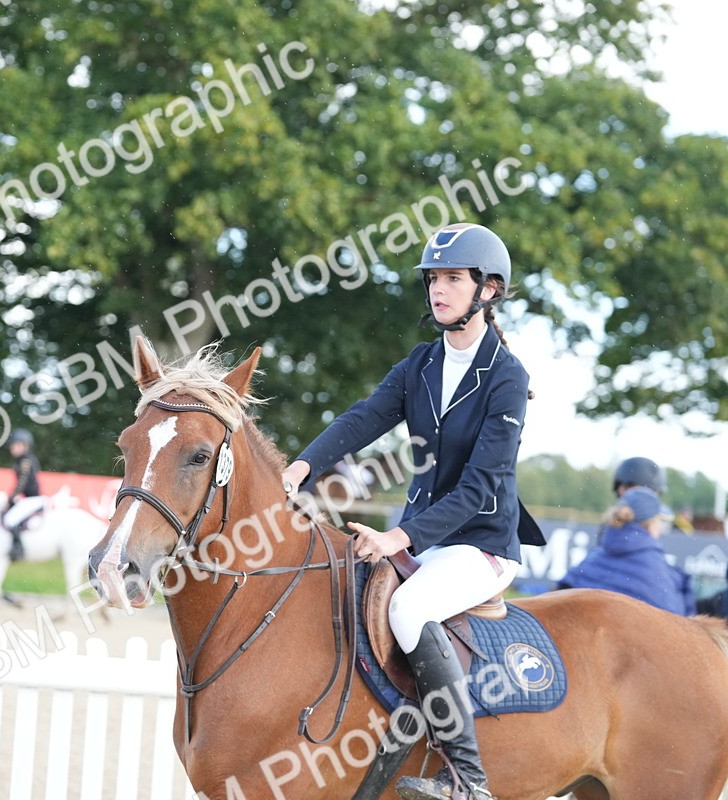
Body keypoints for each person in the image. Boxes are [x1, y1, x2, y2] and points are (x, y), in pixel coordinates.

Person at [281, 222, 544, 800]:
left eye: (453, 278)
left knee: (408, 608)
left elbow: (481, 487)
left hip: (481, 545)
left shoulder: (506, 376)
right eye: (433, 279)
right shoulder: (421, 364)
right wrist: (302, 467)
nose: (438, 290)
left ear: (489, 289)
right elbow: (362, 418)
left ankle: (469, 781)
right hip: (427, 540)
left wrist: (400, 536)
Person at [557, 487, 694, 616]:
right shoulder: (660, 571)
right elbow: (679, 626)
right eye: (658, 523)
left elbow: (559, 598)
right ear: (651, 526)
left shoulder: (593, 558)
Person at [2, 428, 44, 562]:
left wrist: (11, 497)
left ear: (24, 445)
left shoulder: (25, 461)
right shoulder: (22, 460)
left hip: (33, 499)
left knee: (10, 519)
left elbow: (22, 483)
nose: (12, 448)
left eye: (16, 445)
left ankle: (18, 549)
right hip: (29, 499)